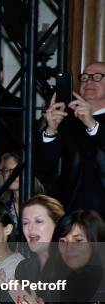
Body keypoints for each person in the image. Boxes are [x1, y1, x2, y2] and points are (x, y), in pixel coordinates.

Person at [38, 61, 105, 215]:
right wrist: (50, 131)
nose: (88, 81)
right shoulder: (65, 120)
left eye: (97, 77)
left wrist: (92, 124)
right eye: (84, 77)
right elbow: (43, 166)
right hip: (69, 209)